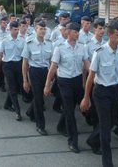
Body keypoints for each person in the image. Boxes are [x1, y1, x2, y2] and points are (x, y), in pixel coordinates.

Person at [80, 19, 118, 167]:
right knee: (106, 128)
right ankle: (107, 162)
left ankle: (92, 140)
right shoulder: (99, 52)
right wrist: (86, 98)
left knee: (114, 121)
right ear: (109, 35)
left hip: (115, 90)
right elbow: (91, 77)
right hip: (101, 92)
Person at [44, 22, 90, 153]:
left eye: (78, 32)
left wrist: (96, 76)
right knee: (70, 111)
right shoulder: (60, 47)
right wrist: (47, 85)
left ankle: (60, 126)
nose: (77, 34)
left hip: (77, 80)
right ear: (68, 33)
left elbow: (87, 64)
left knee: (79, 106)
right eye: (75, 32)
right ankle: (72, 141)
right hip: (64, 82)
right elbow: (53, 67)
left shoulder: (82, 47)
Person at [21, 18, 53, 135]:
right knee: (39, 98)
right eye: (40, 29)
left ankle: (30, 112)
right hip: (34, 72)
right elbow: (25, 62)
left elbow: (51, 61)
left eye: (44, 29)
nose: (43, 31)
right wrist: (25, 80)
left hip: (45, 72)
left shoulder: (50, 43)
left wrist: (52, 74)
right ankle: (40, 125)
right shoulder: (29, 43)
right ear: (35, 29)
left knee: (42, 95)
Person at [0, 20, 25, 121]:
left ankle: (7, 104)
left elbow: (24, 56)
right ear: (11, 29)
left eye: (18, 29)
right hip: (8, 65)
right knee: (12, 87)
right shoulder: (4, 40)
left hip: (18, 64)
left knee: (17, 87)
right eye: (15, 29)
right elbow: (0, 56)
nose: (17, 31)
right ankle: (18, 111)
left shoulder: (22, 40)